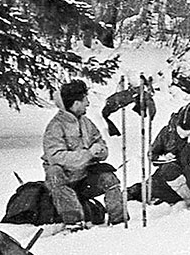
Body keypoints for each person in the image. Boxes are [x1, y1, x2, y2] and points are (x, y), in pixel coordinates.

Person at [42, 79, 127, 230]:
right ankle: (74, 223)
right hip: (65, 180)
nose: (88, 103)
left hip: (85, 177)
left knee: (109, 178)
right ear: (76, 103)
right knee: (54, 172)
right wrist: (88, 154)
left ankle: (119, 221)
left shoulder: (86, 122)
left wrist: (100, 152)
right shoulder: (55, 126)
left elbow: (100, 143)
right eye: (85, 100)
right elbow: (55, 157)